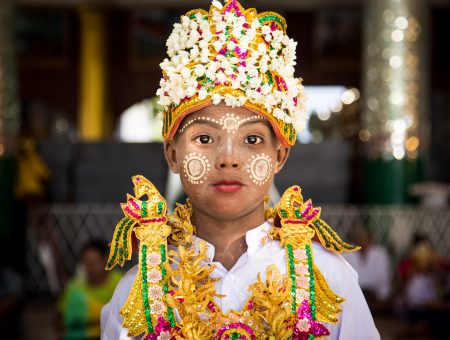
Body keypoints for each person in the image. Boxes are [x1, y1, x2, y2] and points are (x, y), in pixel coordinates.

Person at [101, 1, 379, 338]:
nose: (228, 158)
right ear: (172, 155)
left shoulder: (330, 278)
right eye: (205, 138)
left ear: (280, 156)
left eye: (251, 139)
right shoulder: (137, 293)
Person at [58, 240, 122, 340]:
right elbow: (60, 319)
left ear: (106, 259)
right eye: (87, 261)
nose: (91, 266)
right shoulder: (75, 288)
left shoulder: (119, 282)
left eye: (95, 261)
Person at [342, 227, 391, 312]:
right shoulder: (348, 254)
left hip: (373, 294)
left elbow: (383, 277)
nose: (362, 241)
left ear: (370, 240)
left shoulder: (379, 254)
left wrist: (382, 297)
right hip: (355, 294)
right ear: (355, 240)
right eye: (359, 238)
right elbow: (344, 278)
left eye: (364, 238)